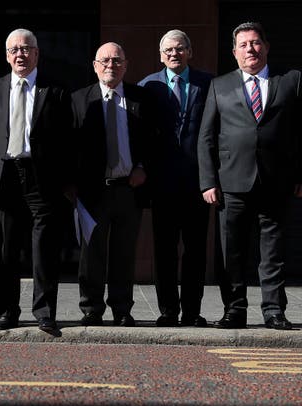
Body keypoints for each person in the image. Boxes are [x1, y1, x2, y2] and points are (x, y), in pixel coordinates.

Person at [198, 22, 302, 330]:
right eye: (243, 45)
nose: (250, 50)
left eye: (255, 43)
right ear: (234, 52)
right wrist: (208, 181)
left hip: (276, 181)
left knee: (273, 251)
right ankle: (234, 310)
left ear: (266, 47)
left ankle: (273, 311)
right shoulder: (220, 85)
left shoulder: (291, 81)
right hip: (231, 183)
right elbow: (206, 137)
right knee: (232, 252)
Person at [0, 28, 73, 333]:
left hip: (41, 178)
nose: (20, 54)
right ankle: (7, 311)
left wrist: (63, 181)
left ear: (37, 54)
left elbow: (66, 139)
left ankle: (44, 311)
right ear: (7, 56)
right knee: (8, 250)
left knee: (44, 248)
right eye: (14, 50)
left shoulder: (57, 91)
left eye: (26, 49)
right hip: (6, 174)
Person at [71, 42, 154, 327]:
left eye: (117, 60)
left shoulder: (141, 99)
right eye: (105, 60)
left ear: (126, 65)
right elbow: (70, 147)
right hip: (93, 191)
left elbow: (153, 142)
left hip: (128, 190)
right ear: (94, 65)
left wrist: (143, 167)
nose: (111, 65)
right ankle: (91, 308)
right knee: (91, 253)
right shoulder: (79, 99)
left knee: (124, 252)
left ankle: (122, 309)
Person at [138, 30, 213, 327]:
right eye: (168, 49)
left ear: (190, 52)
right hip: (163, 183)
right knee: (165, 251)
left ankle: (193, 311)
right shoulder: (148, 86)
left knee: (196, 251)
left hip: (197, 183)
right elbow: (141, 135)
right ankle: (168, 311)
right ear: (160, 55)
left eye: (180, 48)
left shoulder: (208, 84)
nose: (174, 53)